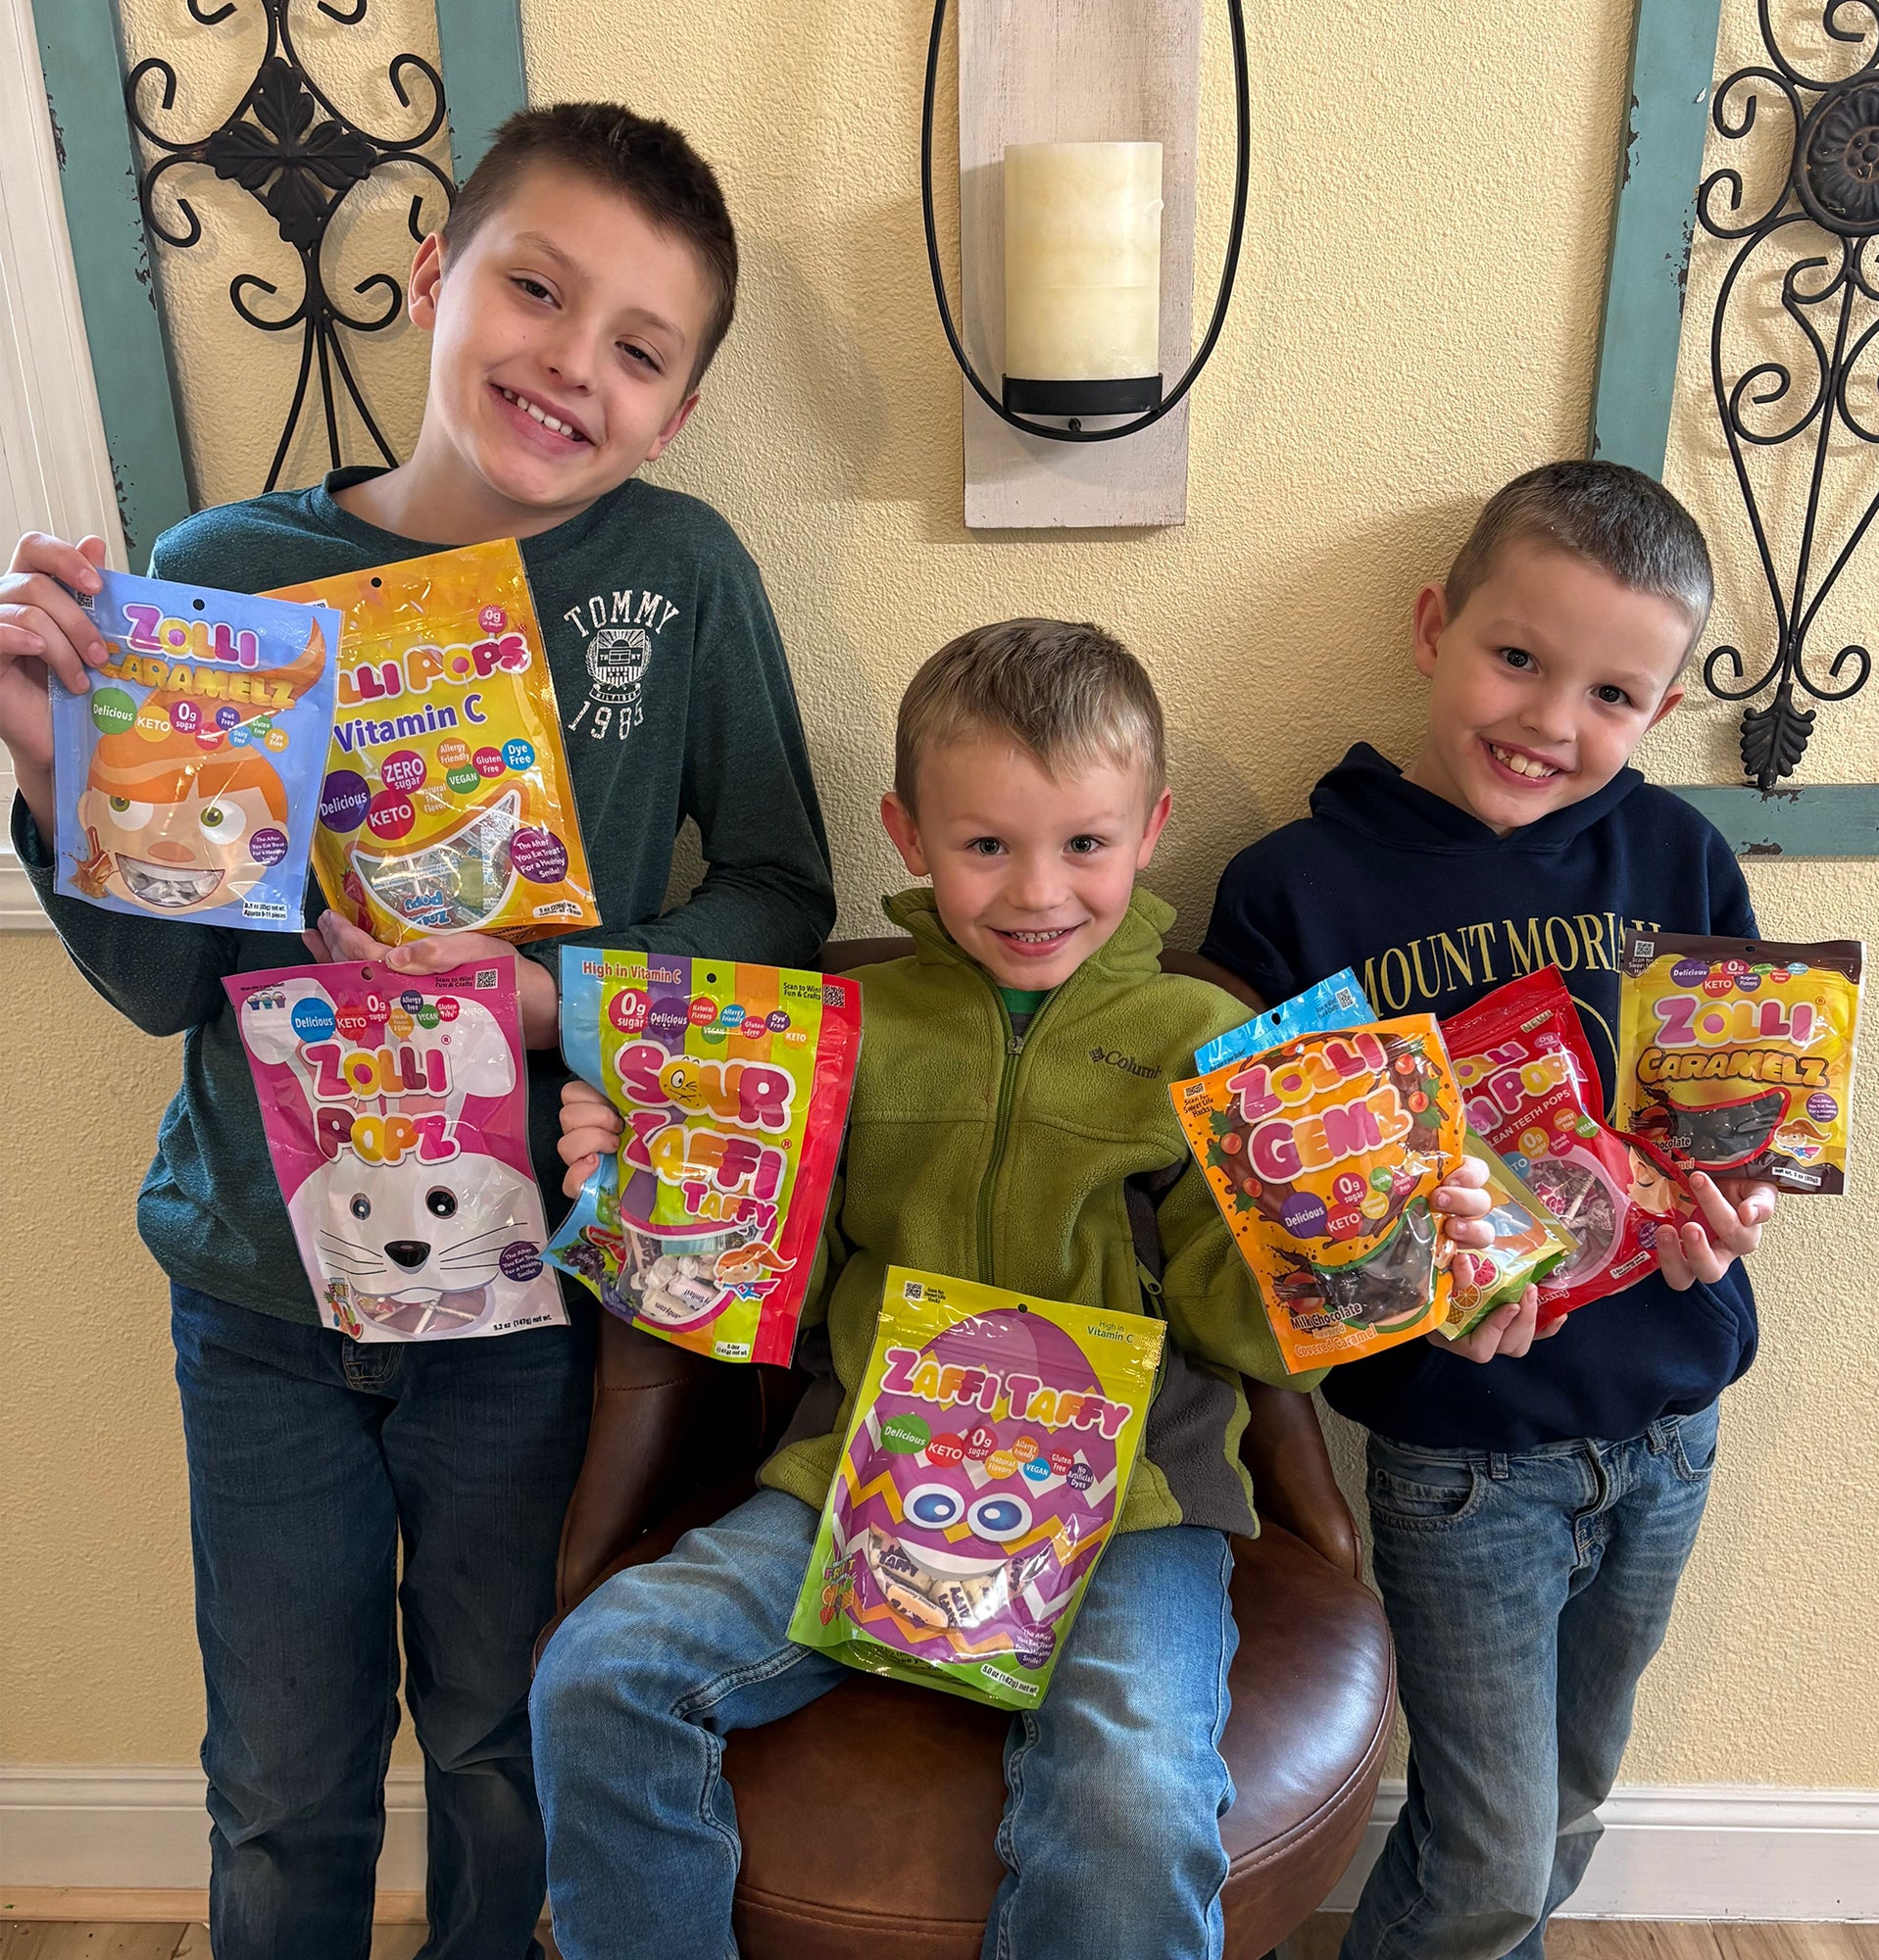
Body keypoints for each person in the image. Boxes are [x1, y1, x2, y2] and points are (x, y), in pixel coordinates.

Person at [0, 103, 832, 1960]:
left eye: (639, 347)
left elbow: (782, 889)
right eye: (533, 288)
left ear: (680, 410)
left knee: (495, 1743)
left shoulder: (678, 577)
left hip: (534, 1297)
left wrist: (564, 992)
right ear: (434, 277)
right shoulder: (225, 564)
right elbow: (157, 989)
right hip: (258, 1294)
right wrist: (60, 772)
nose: (570, 363)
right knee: (284, 1778)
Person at [529, 616, 1502, 1960]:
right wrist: (645, 1177)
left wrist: (1370, 1240)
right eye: (988, 844)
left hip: (1137, 1509)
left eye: (1084, 844)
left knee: (1135, 1792)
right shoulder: (841, 1032)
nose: (1038, 891)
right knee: (603, 1670)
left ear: (1151, 828)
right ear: (909, 833)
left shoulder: (1208, 1042)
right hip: (859, 1472)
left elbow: (1246, 1328)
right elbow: (776, 1296)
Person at [1201, 461, 1777, 1960]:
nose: (1549, 721)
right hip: (1465, 1465)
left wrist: (1725, 1220)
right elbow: (1282, 1215)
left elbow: (1728, 1130)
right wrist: (1416, 1291)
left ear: (1661, 713)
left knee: (1567, 1815)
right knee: (1486, 1867)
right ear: (1432, 626)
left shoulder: (1682, 860)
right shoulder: (1291, 893)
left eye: (1612, 694)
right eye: (1517, 659)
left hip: (1670, 1424)